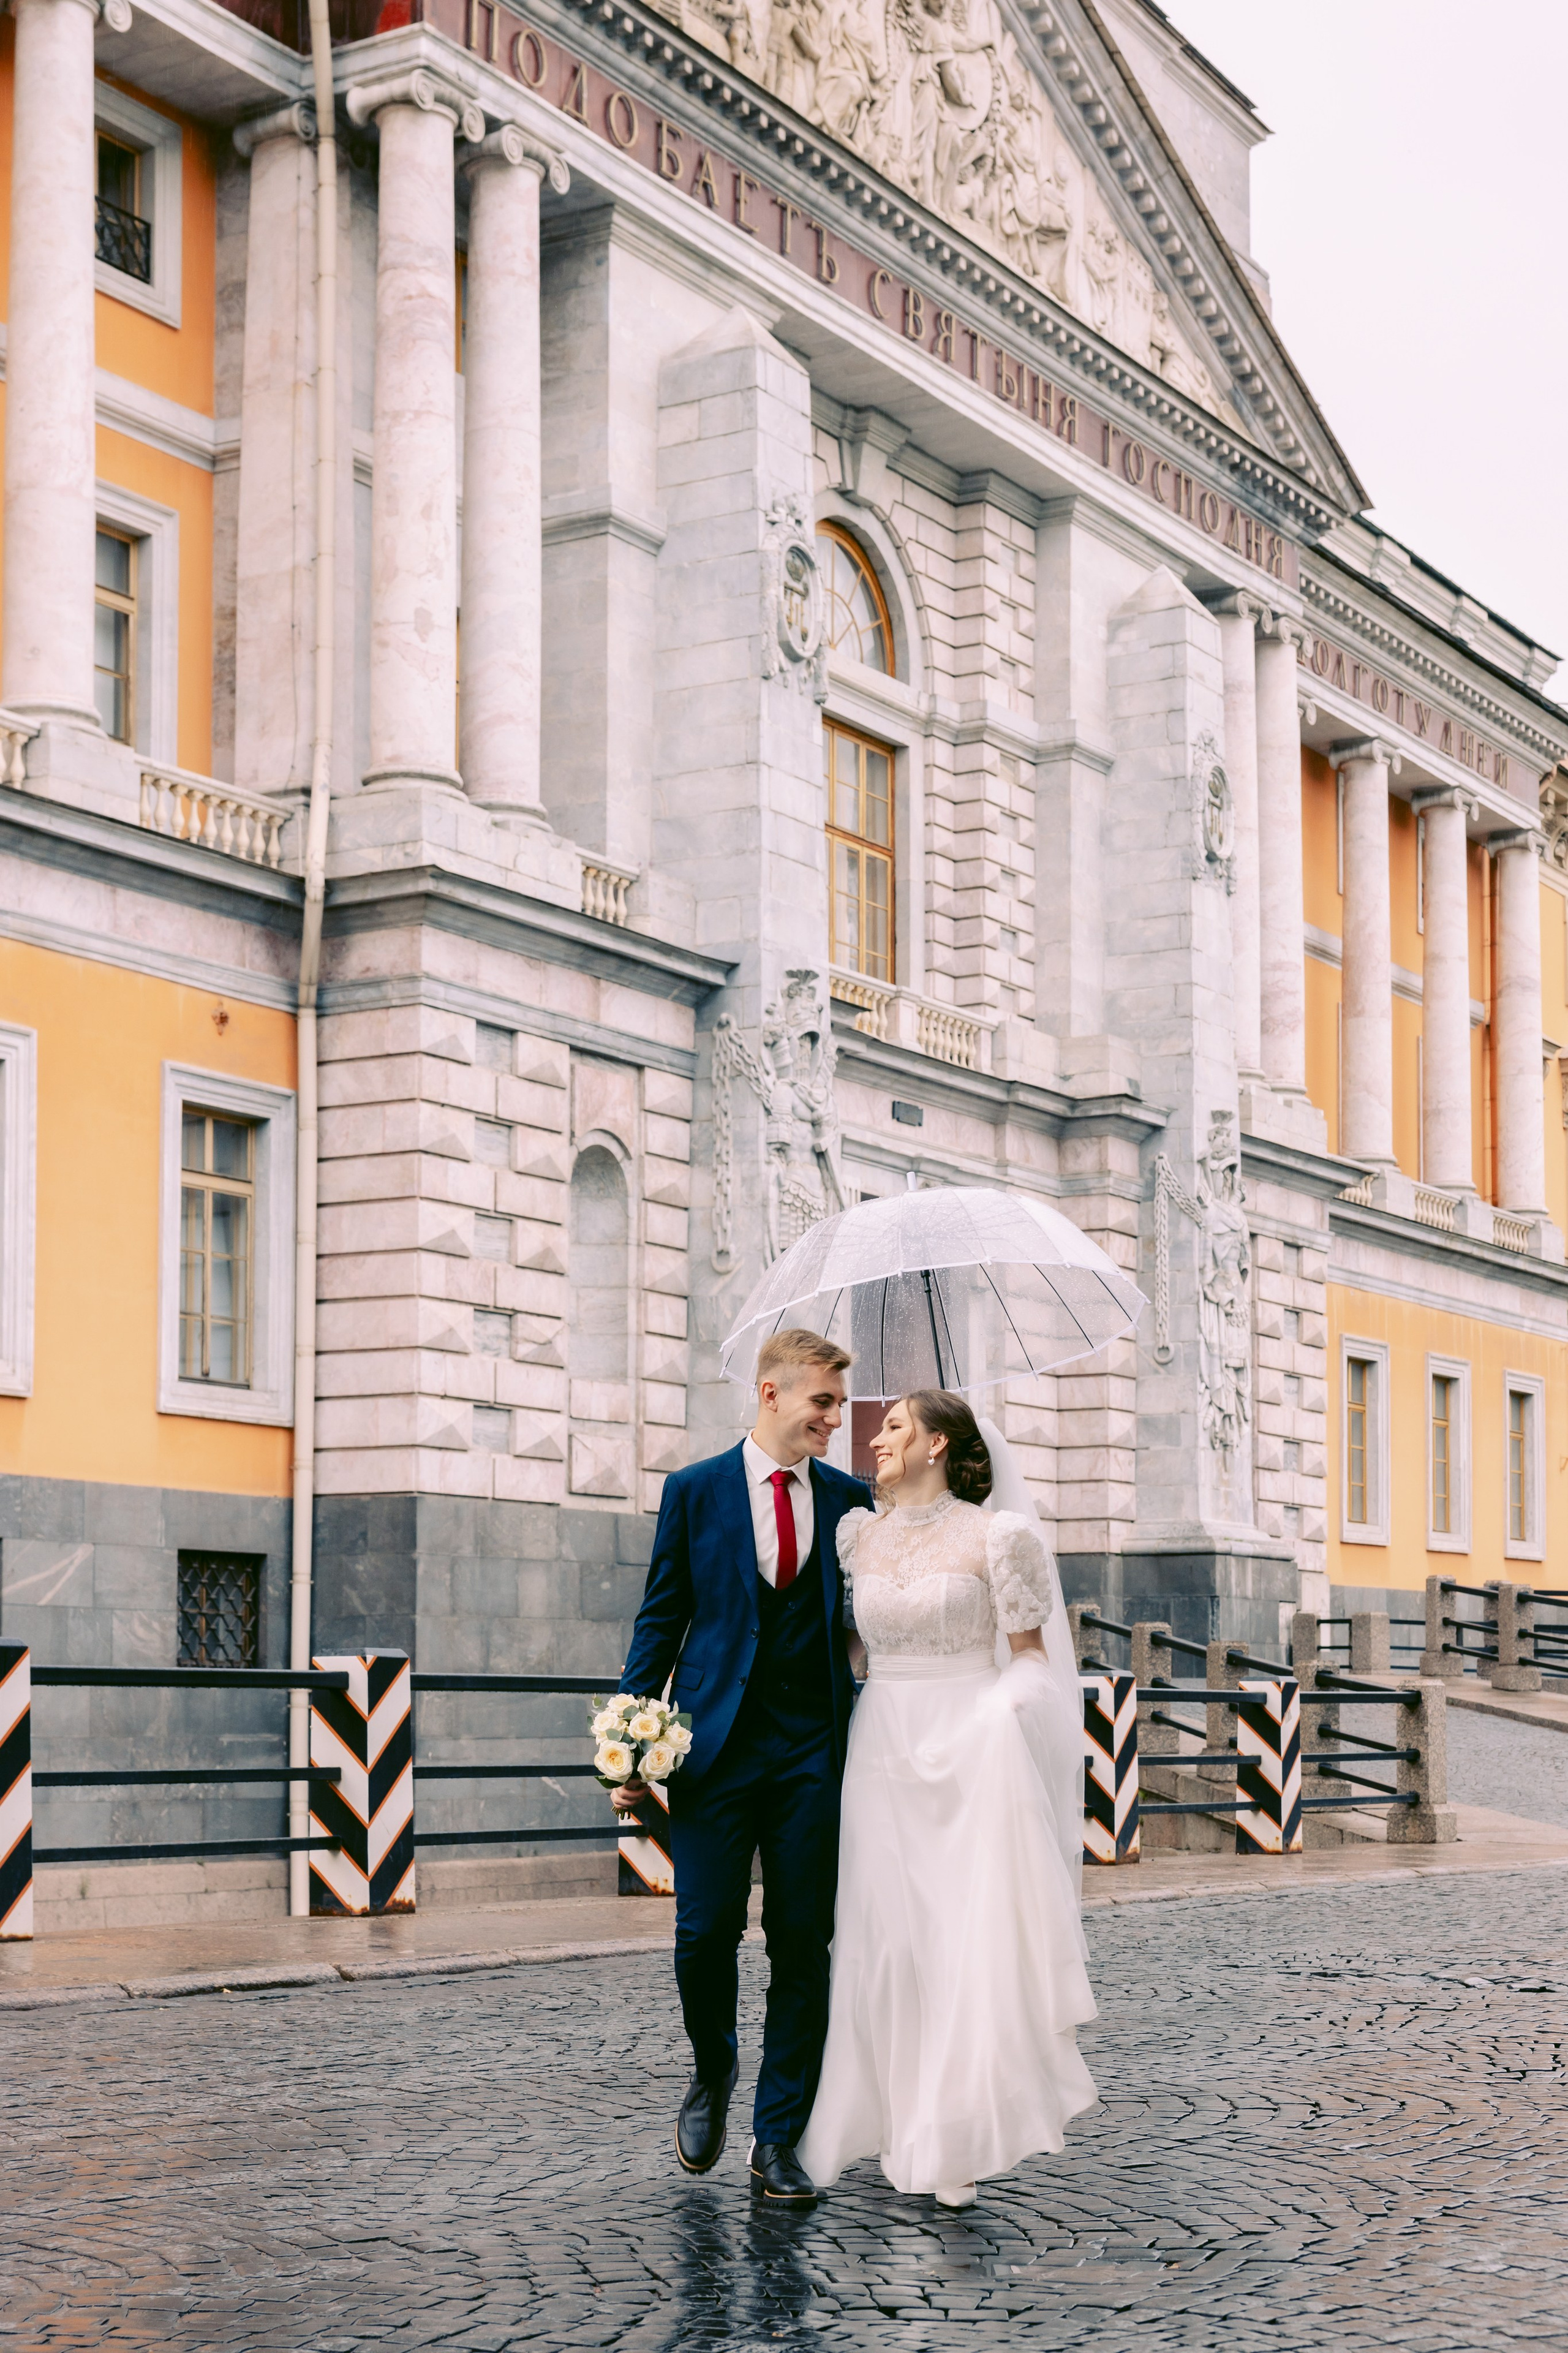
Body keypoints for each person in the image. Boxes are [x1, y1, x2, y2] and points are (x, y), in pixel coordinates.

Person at [797, 1390, 1097, 2208]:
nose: (876, 1436)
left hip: (968, 1748)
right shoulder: (859, 1534)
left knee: (957, 1939)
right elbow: (851, 1646)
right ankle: (889, 2116)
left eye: (894, 1425)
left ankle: (951, 2134)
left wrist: (1005, 1702)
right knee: (884, 1939)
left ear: (936, 1443)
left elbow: (1035, 1657)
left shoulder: (999, 1536)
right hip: (883, 1746)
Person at [614, 1328, 873, 2205]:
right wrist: (632, 1742)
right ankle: (712, 2069)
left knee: (805, 1942)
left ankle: (776, 2136)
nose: (835, 1420)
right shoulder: (694, 1492)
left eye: (839, 1403)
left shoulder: (849, 1500)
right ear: (771, 1394)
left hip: (812, 1752)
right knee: (703, 1932)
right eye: (823, 1403)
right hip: (713, 1750)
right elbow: (661, 1620)